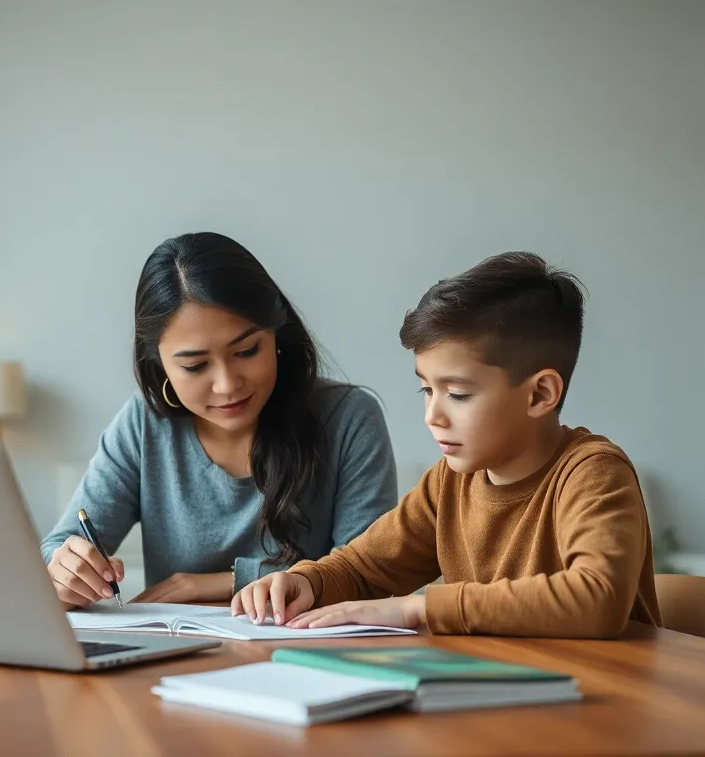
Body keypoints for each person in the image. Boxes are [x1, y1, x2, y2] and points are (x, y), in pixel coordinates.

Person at [233, 251, 663, 638]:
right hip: (505, 699)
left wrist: (421, 609)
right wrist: (307, 581)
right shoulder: (450, 481)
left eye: (457, 395)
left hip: (605, 703)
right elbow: (365, 567)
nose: (433, 416)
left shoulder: (592, 473)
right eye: (427, 391)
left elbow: (597, 598)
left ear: (539, 395)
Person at [40, 232, 399, 608]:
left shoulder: (349, 418)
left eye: (247, 350)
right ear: (159, 364)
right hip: (176, 656)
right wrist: (67, 571)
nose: (228, 385)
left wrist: (217, 583)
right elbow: (57, 549)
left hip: (310, 653)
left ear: (276, 333)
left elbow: (372, 572)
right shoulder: (143, 425)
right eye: (195, 366)